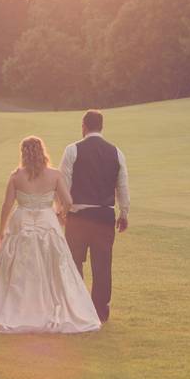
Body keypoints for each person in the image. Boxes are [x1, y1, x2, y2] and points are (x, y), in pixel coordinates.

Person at [0, 136, 101, 333]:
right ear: (42, 152)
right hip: (47, 223)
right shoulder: (54, 175)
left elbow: (6, 206)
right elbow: (68, 201)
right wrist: (60, 213)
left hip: (21, 223)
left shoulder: (16, 177)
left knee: (18, 268)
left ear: (23, 153)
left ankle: (18, 309)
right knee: (53, 267)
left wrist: (1, 232)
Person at [59, 109, 130, 322]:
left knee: (74, 262)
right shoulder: (117, 152)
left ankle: (78, 307)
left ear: (84, 126)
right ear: (102, 127)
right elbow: (122, 186)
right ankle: (100, 311)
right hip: (105, 216)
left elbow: (64, 184)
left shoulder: (72, 150)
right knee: (102, 265)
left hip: (79, 215)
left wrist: (62, 211)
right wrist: (123, 213)